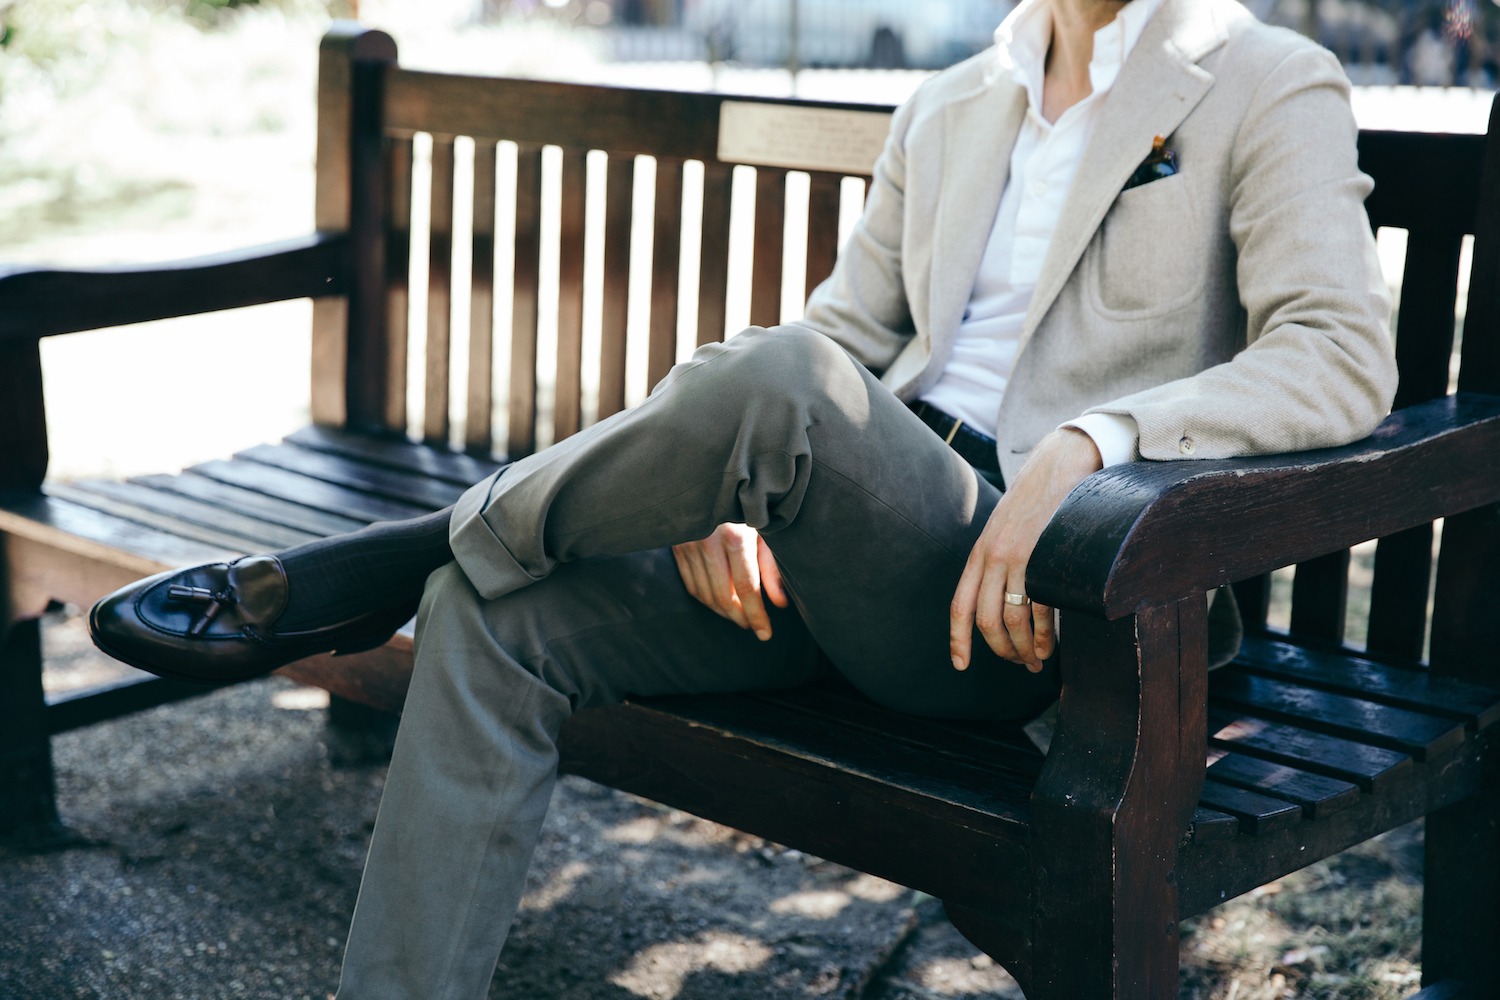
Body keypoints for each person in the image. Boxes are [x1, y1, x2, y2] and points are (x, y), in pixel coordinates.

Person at [89, 0, 1397, 994]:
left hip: (1040, 601)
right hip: (842, 551)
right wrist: (714, 492)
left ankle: (373, 560)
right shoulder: (955, 102)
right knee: (484, 617)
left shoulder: (1265, 80)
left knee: (770, 379)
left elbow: (1340, 352)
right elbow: (847, 336)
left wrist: (1094, 443)